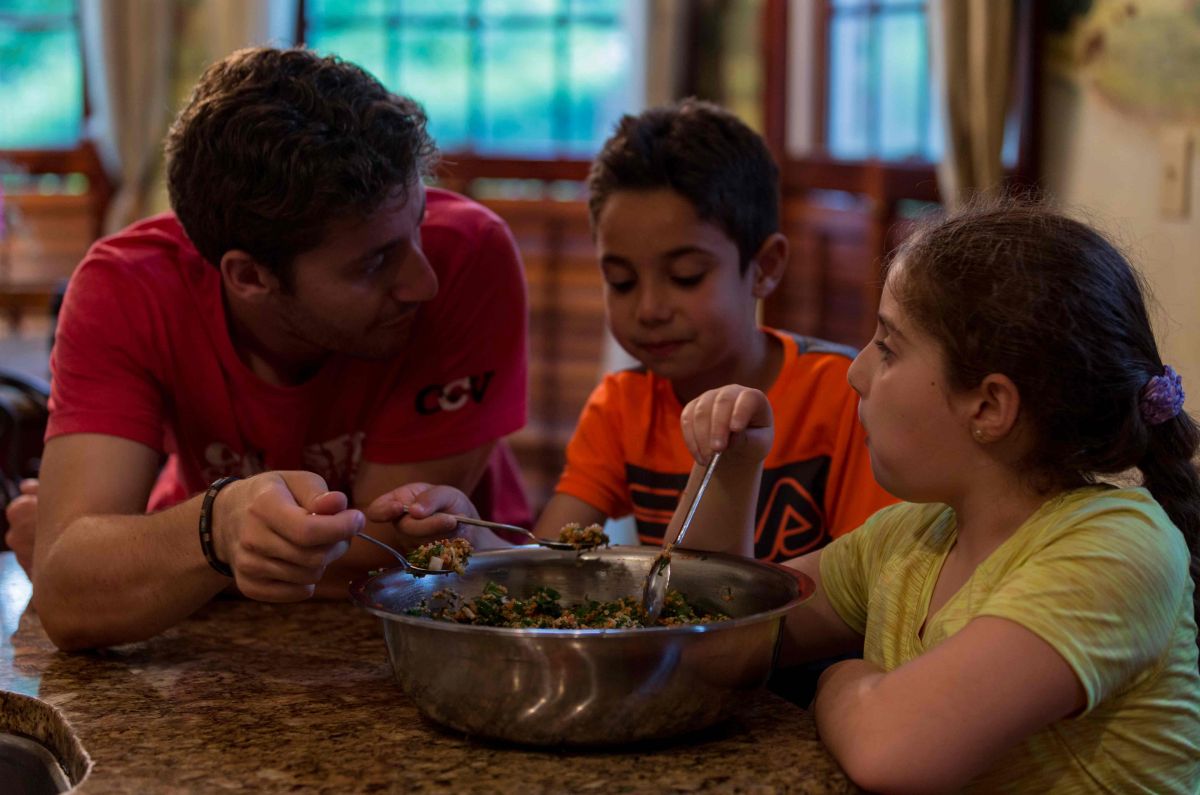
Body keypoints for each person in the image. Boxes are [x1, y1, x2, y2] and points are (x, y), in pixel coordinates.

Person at [12, 46, 530, 651]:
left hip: (455, 627)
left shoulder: (470, 254)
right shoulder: (126, 286)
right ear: (250, 277)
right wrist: (217, 526)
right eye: (374, 261)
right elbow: (71, 602)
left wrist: (170, 554)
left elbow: (393, 560)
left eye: (416, 224)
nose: (423, 281)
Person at [675, 202, 1200, 792]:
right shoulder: (910, 538)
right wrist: (729, 465)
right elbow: (710, 647)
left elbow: (894, 751)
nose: (857, 373)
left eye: (888, 347)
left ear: (988, 406)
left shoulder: (1117, 550)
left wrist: (840, 678)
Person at [373, 99, 894, 562]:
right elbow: (547, 560)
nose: (649, 309)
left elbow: (873, 582)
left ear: (765, 266)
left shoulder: (842, 394)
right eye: (621, 282)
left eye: (686, 276)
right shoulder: (623, 405)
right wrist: (467, 532)